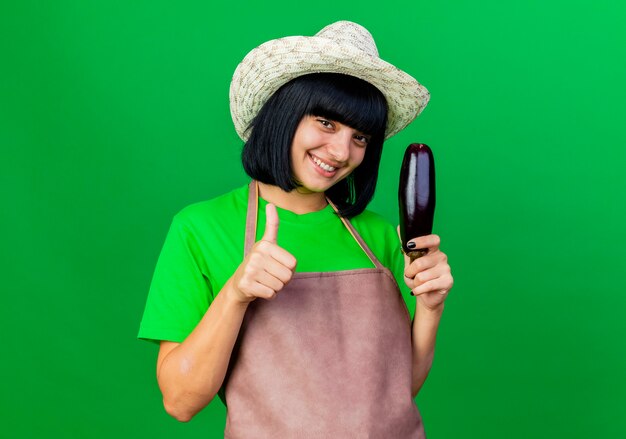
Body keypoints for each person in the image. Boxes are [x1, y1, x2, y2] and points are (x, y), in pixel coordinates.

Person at [138, 20, 453, 438]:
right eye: (326, 123)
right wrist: (236, 293)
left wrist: (430, 309)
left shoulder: (380, 236)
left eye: (360, 137)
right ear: (284, 114)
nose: (341, 152)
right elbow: (180, 401)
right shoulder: (199, 229)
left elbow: (394, 394)